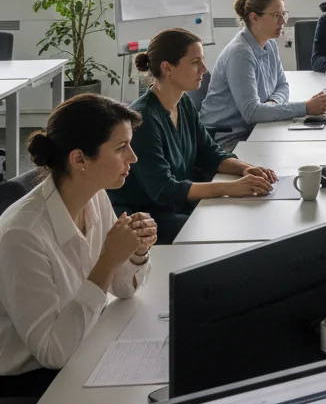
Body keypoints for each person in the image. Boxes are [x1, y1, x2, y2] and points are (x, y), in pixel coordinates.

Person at [0, 94, 157, 383]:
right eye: (121, 148)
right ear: (79, 159)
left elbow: (123, 288)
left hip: (81, 345)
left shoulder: (94, 194)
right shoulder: (22, 235)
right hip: (30, 381)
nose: (133, 157)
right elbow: (52, 353)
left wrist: (136, 251)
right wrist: (108, 262)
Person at [114, 28, 282, 243]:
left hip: (178, 205)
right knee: (230, 228)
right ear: (167, 68)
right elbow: (164, 191)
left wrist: (245, 168)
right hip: (150, 220)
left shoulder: (183, 102)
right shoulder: (143, 119)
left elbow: (209, 153)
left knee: (247, 216)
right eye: (195, 62)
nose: (204, 69)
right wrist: (231, 188)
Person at [202, 0, 326, 139]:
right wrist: (305, 107)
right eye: (276, 15)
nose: (283, 21)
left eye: (284, 14)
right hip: (227, 138)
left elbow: (282, 85)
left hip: (256, 128)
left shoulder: (270, 44)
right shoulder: (240, 54)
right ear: (254, 18)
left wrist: (270, 105)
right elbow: (252, 113)